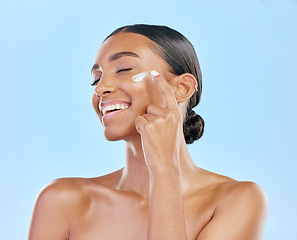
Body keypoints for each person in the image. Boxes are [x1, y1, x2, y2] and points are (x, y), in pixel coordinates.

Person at [28, 24, 268, 240]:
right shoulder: (62, 201)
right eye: (96, 78)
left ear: (182, 88)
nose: (101, 88)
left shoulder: (237, 201)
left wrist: (164, 170)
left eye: (123, 69)